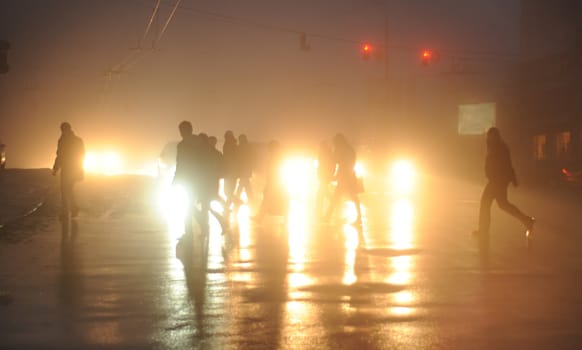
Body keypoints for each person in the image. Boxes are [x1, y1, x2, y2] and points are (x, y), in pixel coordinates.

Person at [473, 127, 535, 236]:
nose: (488, 138)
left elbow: (507, 164)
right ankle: (527, 220)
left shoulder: (500, 148)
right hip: (497, 180)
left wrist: (512, 178)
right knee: (503, 204)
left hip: (497, 181)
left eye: (490, 136)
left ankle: (483, 230)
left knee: (486, 203)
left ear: (495, 136)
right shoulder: (495, 147)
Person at [173, 121, 207, 240]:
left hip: (188, 179)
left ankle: (191, 232)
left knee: (188, 207)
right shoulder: (201, 143)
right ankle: (200, 226)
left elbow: (180, 163)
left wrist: (176, 178)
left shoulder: (182, 145)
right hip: (199, 178)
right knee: (190, 206)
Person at [323, 133, 362, 225]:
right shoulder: (349, 149)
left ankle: (328, 216)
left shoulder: (340, 150)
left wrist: (333, 174)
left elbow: (335, 161)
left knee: (337, 196)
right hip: (350, 175)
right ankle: (359, 216)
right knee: (353, 197)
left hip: (344, 176)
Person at [52, 122, 85, 220]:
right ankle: (73, 209)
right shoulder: (78, 140)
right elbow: (82, 155)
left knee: (65, 191)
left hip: (67, 169)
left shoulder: (62, 141)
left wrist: (55, 168)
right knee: (69, 190)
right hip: (75, 168)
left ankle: (67, 212)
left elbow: (60, 155)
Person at [254, 140, 287, 221]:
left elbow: (273, 171)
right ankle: (259, 217)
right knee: (273, 199)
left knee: (267, 199)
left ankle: (259, 217)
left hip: (274, 182)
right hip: (276, 182)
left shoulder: (275, 157)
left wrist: (270, 182)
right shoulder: (277, 156)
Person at [316, 140, 335, 217]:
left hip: (325, 176)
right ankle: (334, 202)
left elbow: (328, 165)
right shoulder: (325, 154)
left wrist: (329, 174)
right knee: (324, 192)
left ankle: (319, 210)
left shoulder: (326, 154)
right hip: (324, 176)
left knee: (321, 194)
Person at [234, 134, 254, 204]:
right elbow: (251, 158)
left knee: (243, 184)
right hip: (246, 169)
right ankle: (250, 199)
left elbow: (238, 158)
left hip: (242, 169)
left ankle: (237, 198)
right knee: (245, 184)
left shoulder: (239, 147)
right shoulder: (248, 147)